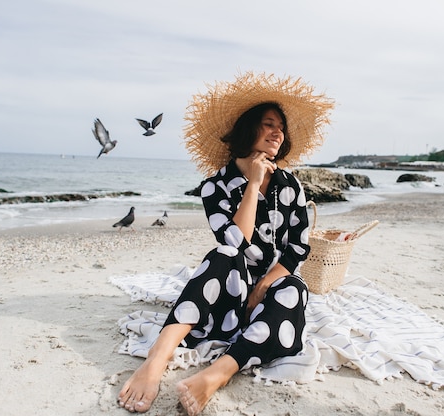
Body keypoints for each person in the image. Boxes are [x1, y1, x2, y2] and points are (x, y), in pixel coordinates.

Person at [117, 72, 334, 415]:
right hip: (228, 289)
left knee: (294, 290)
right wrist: (252, 184)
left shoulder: (291, 186)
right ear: (249, 130)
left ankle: (217, 374)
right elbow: (234, 240)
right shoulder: (214, 187)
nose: (278, 132)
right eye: (268, 124)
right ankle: (155, 363)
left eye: (281, 128)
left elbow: (298, 248)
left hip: (271, 288)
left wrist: (264, 284)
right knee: (223, 254)